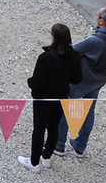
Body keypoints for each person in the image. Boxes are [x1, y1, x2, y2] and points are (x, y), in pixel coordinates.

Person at [53, 7, 106, 158]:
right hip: (99, 81)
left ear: (101, 21)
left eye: (97, 15)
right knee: (89, 113)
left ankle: (58, 144)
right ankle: (79, 147)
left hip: (82, 81)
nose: (95, 17)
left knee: (65, 109)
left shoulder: (94, 40)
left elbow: (72, 51)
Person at [19, 23, 82, 172]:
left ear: (53, 37)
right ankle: (46, 158)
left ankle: (34, 163)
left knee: (39, 129)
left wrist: (29, 81)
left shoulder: (45, 57)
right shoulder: (74, 55)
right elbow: (77, 79)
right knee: (54, 127)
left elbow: (37, 82)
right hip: (61, 98)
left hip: (43, 99)